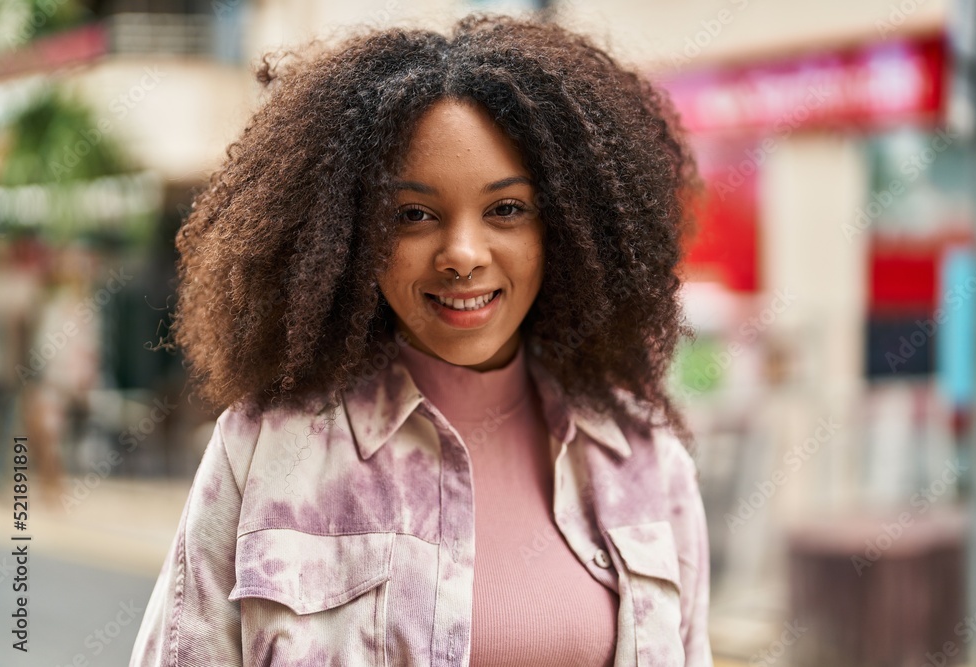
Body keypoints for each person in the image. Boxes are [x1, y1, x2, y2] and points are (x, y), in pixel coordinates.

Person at [130, 13, 711, 667]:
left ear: (569, 229)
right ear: (349, 237)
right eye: (413, 215)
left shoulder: (645, 460)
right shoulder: (266, 448)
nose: (462, 254)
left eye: (507, 210)